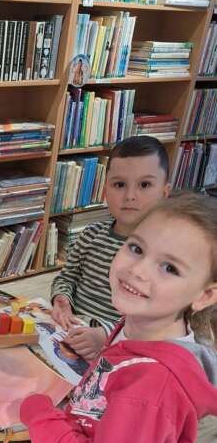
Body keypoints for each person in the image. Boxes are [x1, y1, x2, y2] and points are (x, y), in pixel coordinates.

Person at [0, 192, 217, 443]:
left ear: (204, 296)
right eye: (136, 248)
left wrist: (44, 422)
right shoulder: (140, 326)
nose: (137, 270)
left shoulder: (150, 387)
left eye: (169, 268)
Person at [50, 135, 171, 360]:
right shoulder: (91, 234)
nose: (130, 196)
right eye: (119, 184)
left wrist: (105, 334)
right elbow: (67, 277)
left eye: (144, 185)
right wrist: (62, 298)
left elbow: (155, 317)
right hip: (71, 331)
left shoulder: (164, 257)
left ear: (164, 193)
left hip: (122, 347)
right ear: (105, 191)